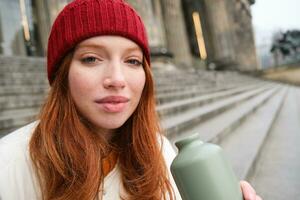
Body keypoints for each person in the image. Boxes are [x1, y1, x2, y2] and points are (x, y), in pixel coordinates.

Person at [0, 0, 262, 199]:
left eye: (133, 61)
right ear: (62, 73)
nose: (117, 79)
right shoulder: (9, 163)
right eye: (91, 58)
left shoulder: (160, 151)